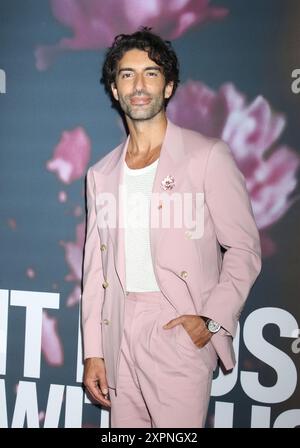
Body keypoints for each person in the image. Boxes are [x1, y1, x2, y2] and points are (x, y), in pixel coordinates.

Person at [81, 27, 262, 428]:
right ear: (115, 89)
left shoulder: (207, 156)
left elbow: (245, 249)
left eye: (151, 73)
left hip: (176, 328)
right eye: (127, 74)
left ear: (168, 86)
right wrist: (94, 350)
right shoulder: (101, 173)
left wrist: (211, 320)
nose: (139, 84)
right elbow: (96, 272)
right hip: (118, 331)